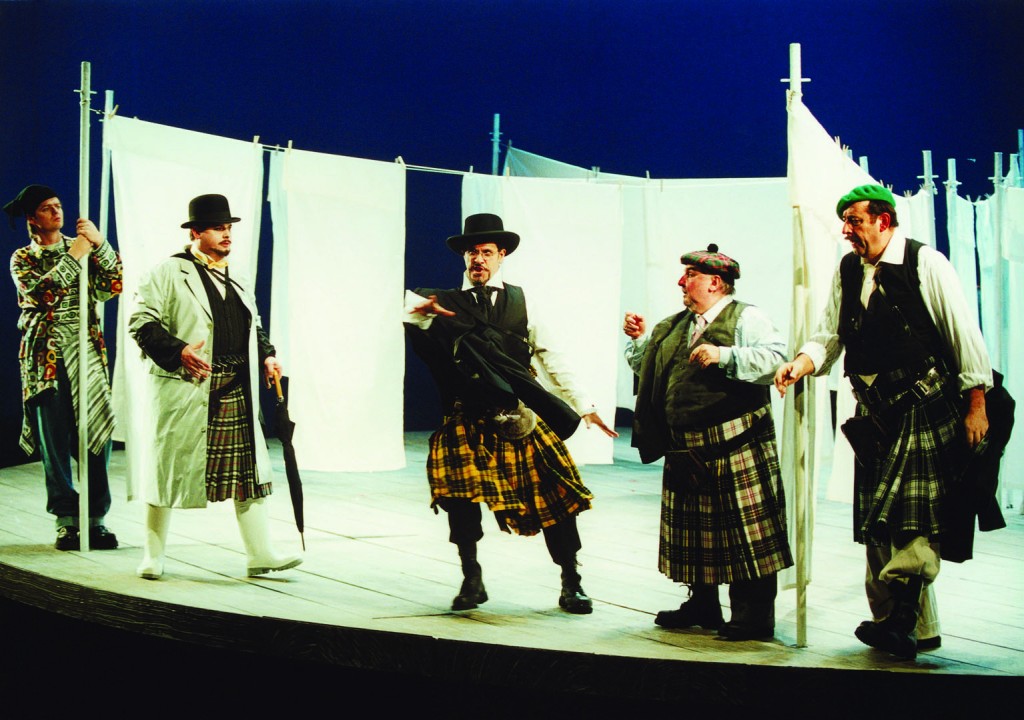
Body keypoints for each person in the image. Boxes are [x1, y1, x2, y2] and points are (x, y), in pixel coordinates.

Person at [774, 184, 992, 660]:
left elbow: (963, 333)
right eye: (845, 222)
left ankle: (902, 621)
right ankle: (908, 627)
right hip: (874, 412)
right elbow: (829, 333)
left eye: (854, 220)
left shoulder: (924, 262)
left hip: (923, 403)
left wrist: (976, 403)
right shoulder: (849, 269)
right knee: (877, 522)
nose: (847, 230)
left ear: (884, 221)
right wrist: (802, 363)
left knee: (913, 517)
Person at [404, 213, 617, 614]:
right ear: (464, 257)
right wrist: (422, 311)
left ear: (502, 255)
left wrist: (584, 406)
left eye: (486, 252)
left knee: (557, 495)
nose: (478, 259)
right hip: (466, 418)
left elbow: (552, 356)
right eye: (472, 252)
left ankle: (571, 580)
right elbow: (409, 312)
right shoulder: (442, 302)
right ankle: (471, 578)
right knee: (460, 498)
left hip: (518, 415)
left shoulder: (522, 301)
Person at [624, 244, 792, 641]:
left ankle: (755, 616)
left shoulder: (747, 317)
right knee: (697, 534)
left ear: (715, 282)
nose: (681, 282)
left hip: (737, 441)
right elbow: (648, 368)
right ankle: (702, 604)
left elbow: (776, 359)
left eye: (690, 276)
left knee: (747, 534)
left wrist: (725, 355)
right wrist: (640, 339)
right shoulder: (674, 325)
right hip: (686, 447)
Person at [129, 194, 301, 579]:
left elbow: (252, 325)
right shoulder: (167, 272)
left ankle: (260, 554)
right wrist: (179, 351)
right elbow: (141, 323)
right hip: (188, 386)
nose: (227, 235)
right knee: (167, 470)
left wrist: (267, 355)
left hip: (234, 385)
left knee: (248, 473)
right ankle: (153, 556)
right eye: (217, 228)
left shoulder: (236, 275)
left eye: (228, 228)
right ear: (195, 232)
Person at [4, 184, 121, 551]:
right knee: (53, 441)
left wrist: (101, 245)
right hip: (46, 358)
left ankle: (96, 518)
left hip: (86, 351)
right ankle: (67, 520)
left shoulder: (82, 245)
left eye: (58, 205)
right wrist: (77, 253)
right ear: (32, 218)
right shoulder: (23, 257)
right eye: (47, 208)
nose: (57, 212)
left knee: (96, 434)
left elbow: (113, 283)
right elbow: (42, 294)